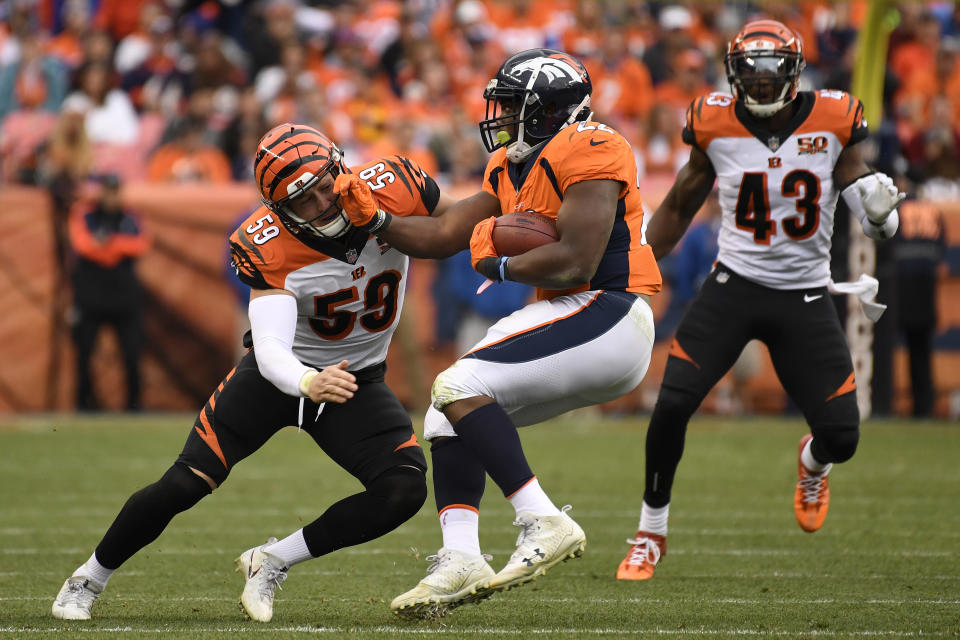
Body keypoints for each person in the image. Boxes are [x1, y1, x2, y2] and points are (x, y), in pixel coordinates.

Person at [52, 123, 445, 622]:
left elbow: (456, 224)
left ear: (341, 166)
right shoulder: (268, 243)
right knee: (185, 484)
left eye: (327, 182)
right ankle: (88, 577)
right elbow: (272, 347)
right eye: (303, 199)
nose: (324, 202)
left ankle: (274, 558)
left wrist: (388, 219)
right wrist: (307, 382)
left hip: (355, 379)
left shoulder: (392, 184)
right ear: (280, 210)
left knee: (403, 489)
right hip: (279, 380)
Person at [333, 48, 661, 618]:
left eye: (512, 106)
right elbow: (443, 234)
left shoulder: (592, 146)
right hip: (577, 315)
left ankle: (543, 518)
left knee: (459, 383)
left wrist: (498, 264)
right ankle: (461, 557)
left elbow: (577, 262)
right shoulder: (511, 165)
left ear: (550, 111)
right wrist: (374, 220)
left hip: (608, 309)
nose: (500, 117)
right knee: (444, 410)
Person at [615, 20, 905, 581]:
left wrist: (882, 217)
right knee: (672, 403)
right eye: (753, 73)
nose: (765, 85)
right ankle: (650, 532)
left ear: (795, 75)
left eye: (775, 74)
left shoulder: (833, 118)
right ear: (734, 73)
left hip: (804, 294)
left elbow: (866, 196)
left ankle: (811, 462)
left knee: (842, 437)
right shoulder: (714, 121)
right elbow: (678, 207)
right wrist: (636, 269)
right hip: (735, 285)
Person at [68, 174, 150, 412]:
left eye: (115, 191)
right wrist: (116, 249)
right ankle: (83, 406)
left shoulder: (131, 216)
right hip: (90, 296)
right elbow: (82, 244)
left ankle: (134, 407)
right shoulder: (85, 212)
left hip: (125, 297)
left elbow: (141, 244)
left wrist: (109, 245)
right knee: (84, 352)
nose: (111, 196)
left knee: (132, 353)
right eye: (108, 191)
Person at [894, 196, 946, 417]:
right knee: (922, 352)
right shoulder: (933, 210)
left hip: (900, 287)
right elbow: (941, 249)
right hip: (926, 287)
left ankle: (882, 403)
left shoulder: (898, 209)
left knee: (886, 349)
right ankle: (923, 408)